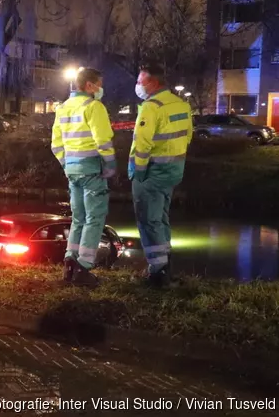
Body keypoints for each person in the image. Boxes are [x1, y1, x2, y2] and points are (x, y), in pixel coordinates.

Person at [51, 68, 115, 288]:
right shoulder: (94, 107)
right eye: (99, 84)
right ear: (89, 85)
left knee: (78, 218)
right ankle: (84, 267)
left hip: (72, 171)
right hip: (92, 171)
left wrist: (67, 164)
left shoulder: (63, 108)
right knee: (94, 219)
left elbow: (56, 144)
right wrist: (110, 165)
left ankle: (70, 261)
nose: (100, 89)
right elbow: (103, 141)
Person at [130, 64, 193, 287]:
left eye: (140, 81)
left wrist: (137, 172)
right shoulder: (182, 104)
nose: (138, 85)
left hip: (151, 172)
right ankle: (166, 265)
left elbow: (142, 144)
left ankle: (158, 273)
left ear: (153, 83)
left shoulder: (151, 107)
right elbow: (187, 137)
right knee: (161, 218)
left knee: (148, 221)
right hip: (173, 171)